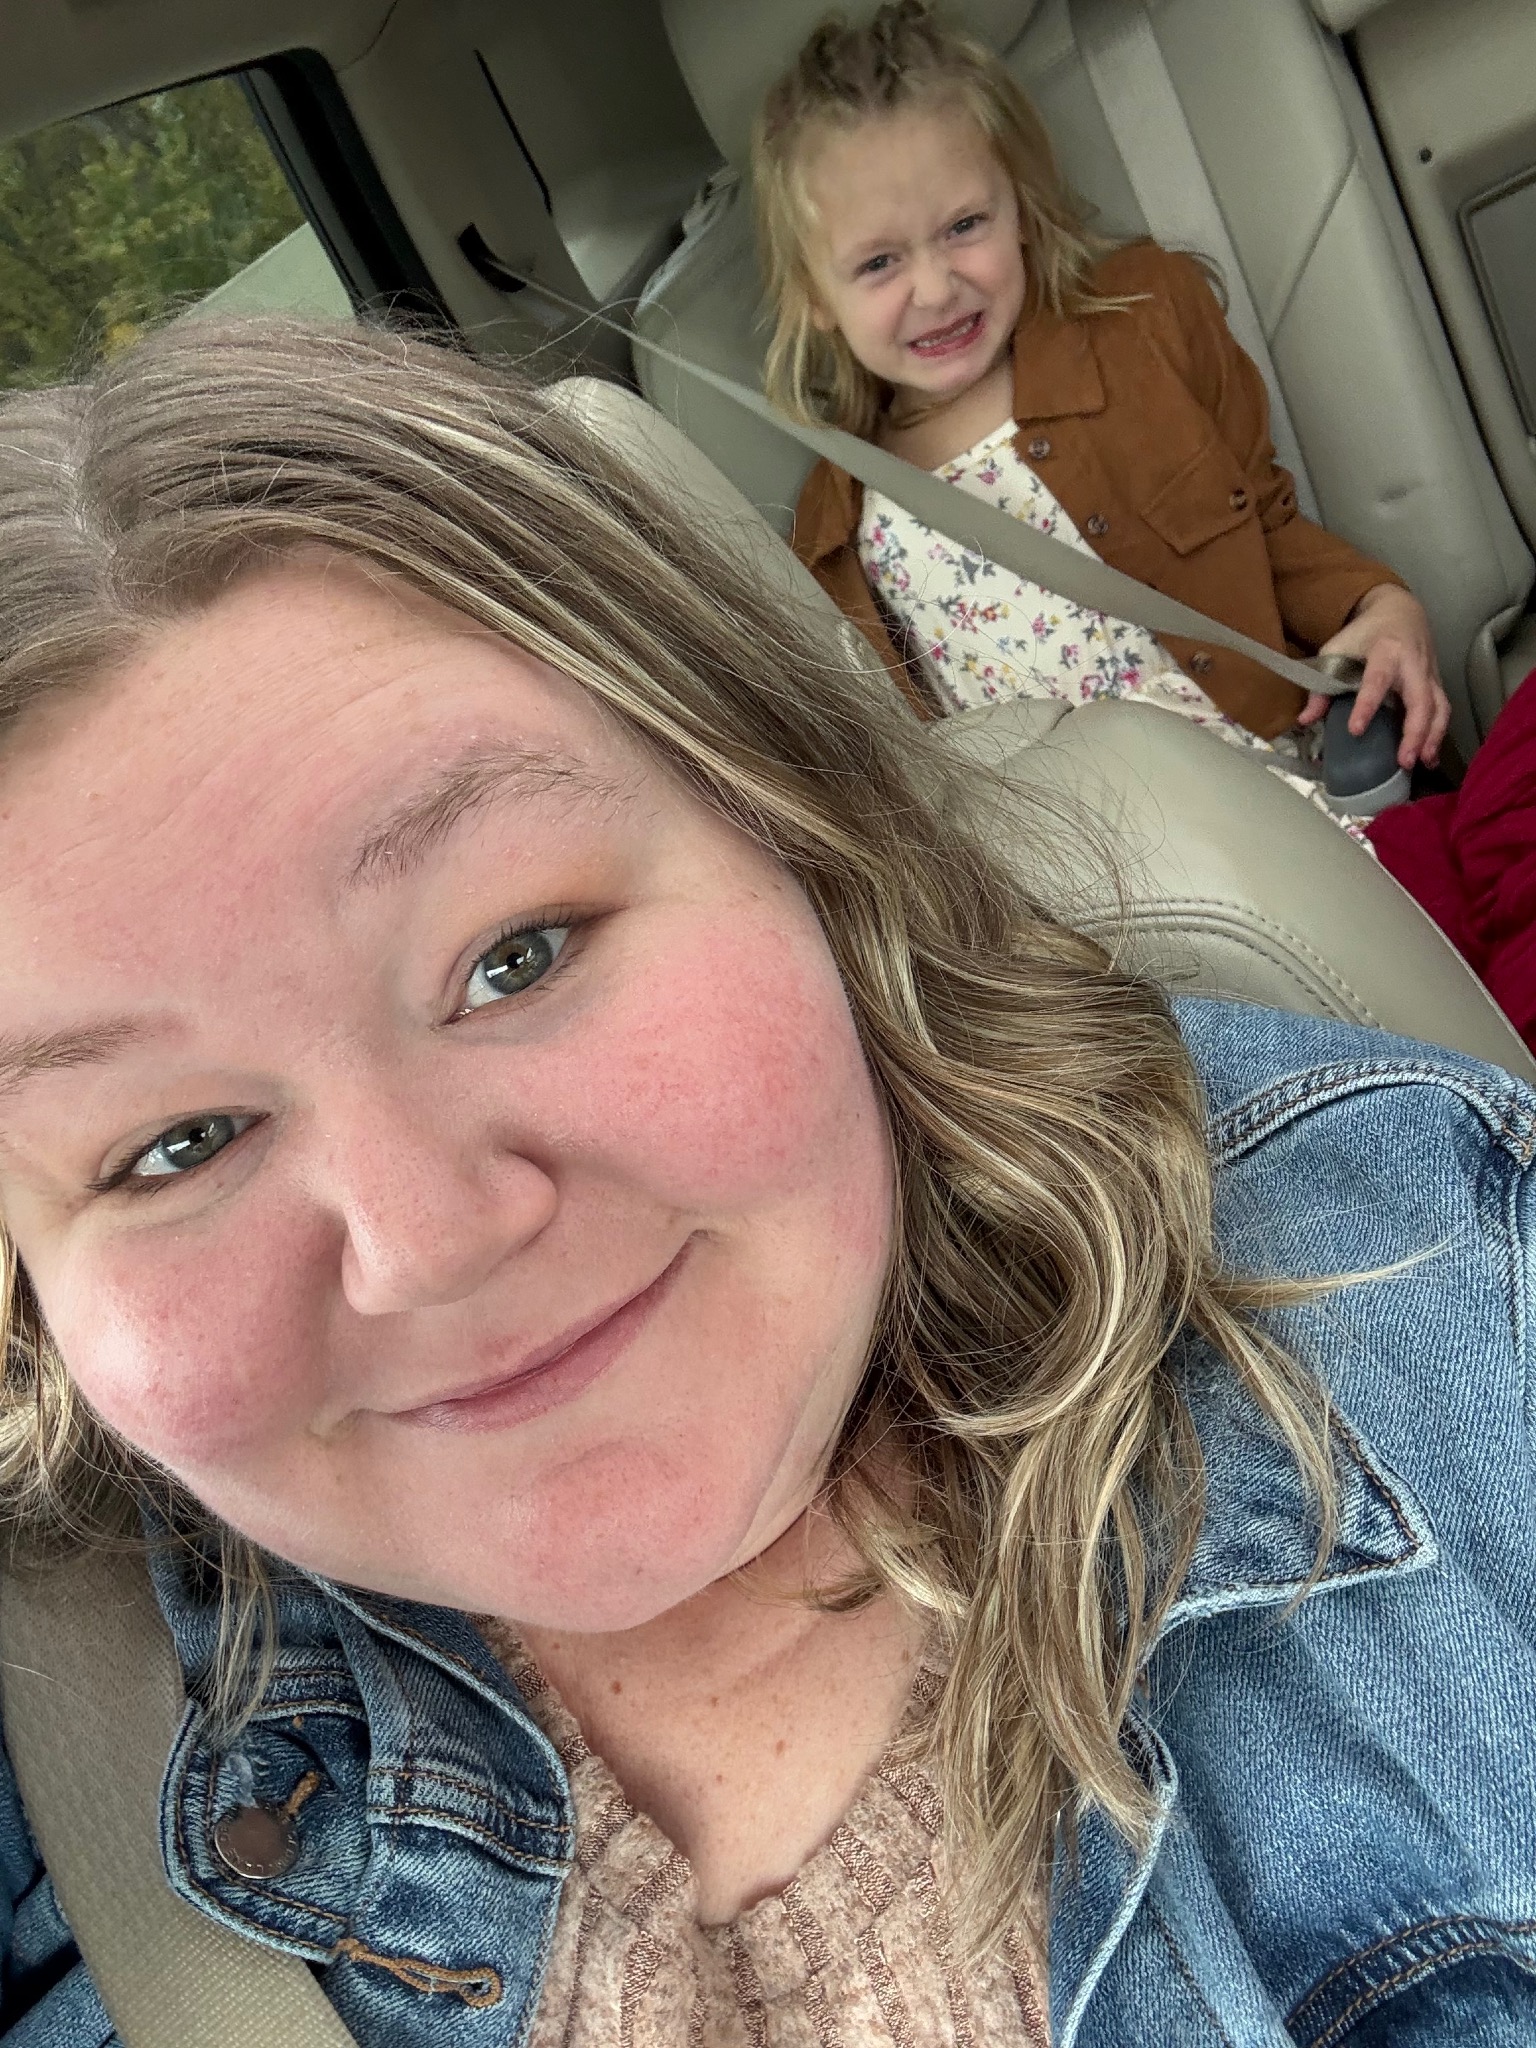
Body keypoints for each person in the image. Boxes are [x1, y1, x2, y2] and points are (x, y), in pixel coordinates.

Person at [0, 316, 1531, 2048]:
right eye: (173, 1145)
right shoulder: (51, 1762)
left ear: (805, 841)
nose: (429, 1241)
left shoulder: (1457, 1292)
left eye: (517, 954)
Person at [752, 0, 1453, 803]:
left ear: (1020, 210)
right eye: (879, 263)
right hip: (1101, 864)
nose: (937, 288)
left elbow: (1267, 524)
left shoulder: (1143, 322)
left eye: (965, 225)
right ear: (815, 295)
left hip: (1281, 797)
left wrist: (1379, 604)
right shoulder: (835, 535)